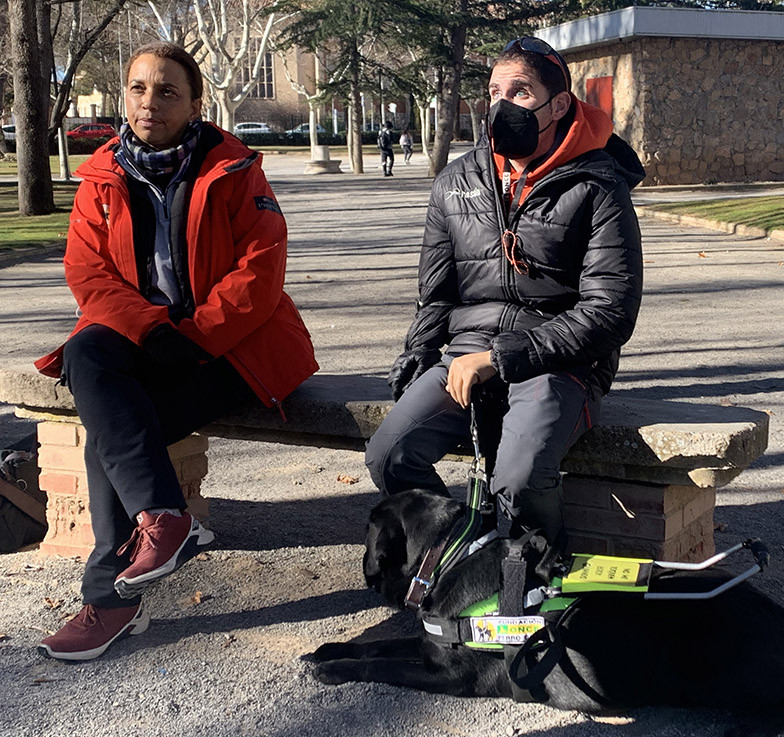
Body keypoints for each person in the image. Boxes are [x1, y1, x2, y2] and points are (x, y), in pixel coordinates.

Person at [34, 41, 318, 661]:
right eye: (138, 88)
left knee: (117, 437)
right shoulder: (102, 176)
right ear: (123, 97)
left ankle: (108, 601)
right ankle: (165, 517)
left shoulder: (235, 167)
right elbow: (89, 273)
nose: (149, 102)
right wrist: (150, 332)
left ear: (194, 104)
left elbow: (259, 271)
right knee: (87, 356)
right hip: (149, 337)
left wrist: (191, 339)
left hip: (237, 347)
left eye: (167, 91)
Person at [364, 36, 644, 547]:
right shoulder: (455, 181)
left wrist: (499, 357)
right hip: (466, 356)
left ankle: (535, 577)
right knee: (390, 454)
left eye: (519, 92)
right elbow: (437, 291)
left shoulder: (600, 186)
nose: (501, 104)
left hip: (561, 363)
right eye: (494, 90)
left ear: (558, 104)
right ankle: (465, 555)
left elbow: (610, 312)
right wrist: (419, 352)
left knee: (517, 476)